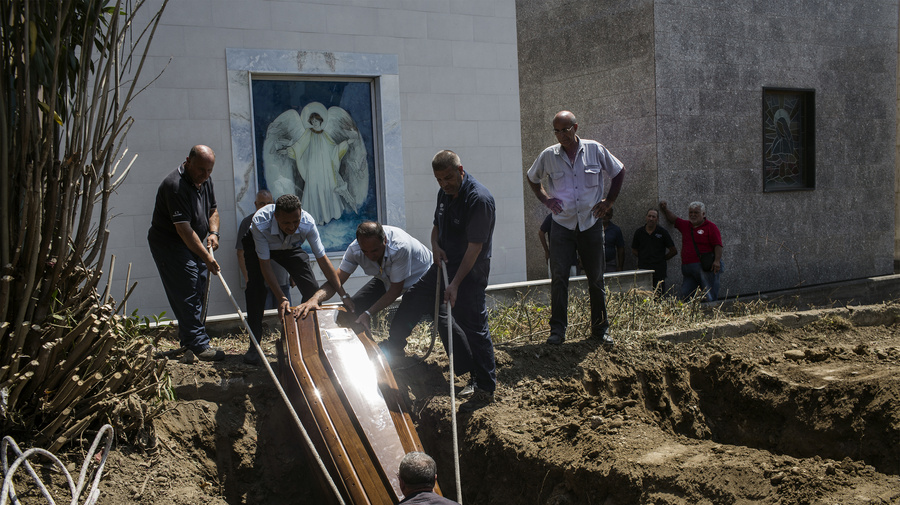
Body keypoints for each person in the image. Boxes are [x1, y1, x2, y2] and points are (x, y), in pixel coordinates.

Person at [387, 150, 496, 411]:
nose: (444, 184)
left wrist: (455, 284)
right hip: (443, 265)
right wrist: (434, 246)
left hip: (469, 272)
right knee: (414, 296)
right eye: (439, 180)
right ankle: (393, 351)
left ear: (460, 170)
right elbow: (436, 226)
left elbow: (475, 247)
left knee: (472, 326)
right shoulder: (444, 194)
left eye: (448, 177)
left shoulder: (478, 199)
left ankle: (484, 386)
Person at [526, 110, 625, 346]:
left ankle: (600, 330)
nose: (562, 135)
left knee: (596, 278)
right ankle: (558, 331)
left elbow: (619, 171)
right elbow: (532, 177)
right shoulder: (548, 155)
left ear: (575, 128)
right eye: (557, 131)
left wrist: (609, 201)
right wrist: (546, 200)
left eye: (566, 130)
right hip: (561, 225)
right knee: (559, 277)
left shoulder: (595, 149)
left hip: (590, 224)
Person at [242, 193, 348, 364]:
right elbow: (265, 264)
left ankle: (306, 341)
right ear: (276, 217)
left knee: (313, 291)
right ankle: (254, 347)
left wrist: (343, 294)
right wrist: (281, 298)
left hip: (289, 247)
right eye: (286, 223)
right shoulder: (260, 223)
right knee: (256, 290)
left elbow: (323, 260)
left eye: (295, 221)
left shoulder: (307, 223)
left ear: (300, 215)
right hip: (257, 249)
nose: (292, 227)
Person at [148, 145, 224, 361]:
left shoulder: (205, 180)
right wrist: (207, 257)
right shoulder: (175, 186)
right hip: (170, 244)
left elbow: (213, 210)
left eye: (210, 170)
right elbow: (184, 230)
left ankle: (191, 340)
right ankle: (198, 344)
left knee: (199, 284)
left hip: (192, 242)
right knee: (188, 287)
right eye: (201, 169)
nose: (205, 175)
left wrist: (213, 232)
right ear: (188, 161)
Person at [296, 221, 433, 331]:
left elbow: (395, 290)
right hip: (387, 279)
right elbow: (336, 280)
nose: (370, 255)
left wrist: (368, 313)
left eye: (374, 250)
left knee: (400, 325)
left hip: (423, 279)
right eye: (365, 251)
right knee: (352, 310)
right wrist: (314, 299)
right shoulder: (354, 250)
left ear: (384, 240)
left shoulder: (400, 247)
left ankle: (397, 358)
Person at [236, 190, 292, 309]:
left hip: (281, 280)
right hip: (260, 283)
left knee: (286, 319)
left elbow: (292, 248)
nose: (266, 207)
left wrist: (293, 274)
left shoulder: (282, 221)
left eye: (269, 203)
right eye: (262, 204)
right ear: (256, 204)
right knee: (265, 321)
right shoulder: (247, 223)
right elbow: (241, 253)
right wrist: (247, 279)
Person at [658, 200, 723, 301]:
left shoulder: (711, 227)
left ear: (703, 214)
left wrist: (717, 261)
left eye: (696, 213)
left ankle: (712, 313)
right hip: (688, 269)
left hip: (705, 268)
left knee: (709, 294)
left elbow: (718, 245)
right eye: (690, 213)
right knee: (685, 295)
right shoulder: (685, 225)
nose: (693, 215)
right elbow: (674, 219)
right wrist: (665, 209)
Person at [631, 208, 678, 294]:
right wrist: (643, 256)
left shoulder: (662, 232)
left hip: (658, 271)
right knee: (644, 296)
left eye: (653, 217)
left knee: (658, 297)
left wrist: (661, 259)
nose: (651, 219)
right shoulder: (639, 232)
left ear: (657, 219)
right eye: (649, 216)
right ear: (646, 217)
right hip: (643, 270)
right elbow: (634, 250)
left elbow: (673, 251)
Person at [602, 207, 625, 272]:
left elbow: (620, 248)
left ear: (611, 216)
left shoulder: (616, 230)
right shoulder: (593, 229)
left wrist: (620, 266)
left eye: (607, 214)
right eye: (603, 213)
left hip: (610, 263)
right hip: (595, 263)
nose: (604, 216)